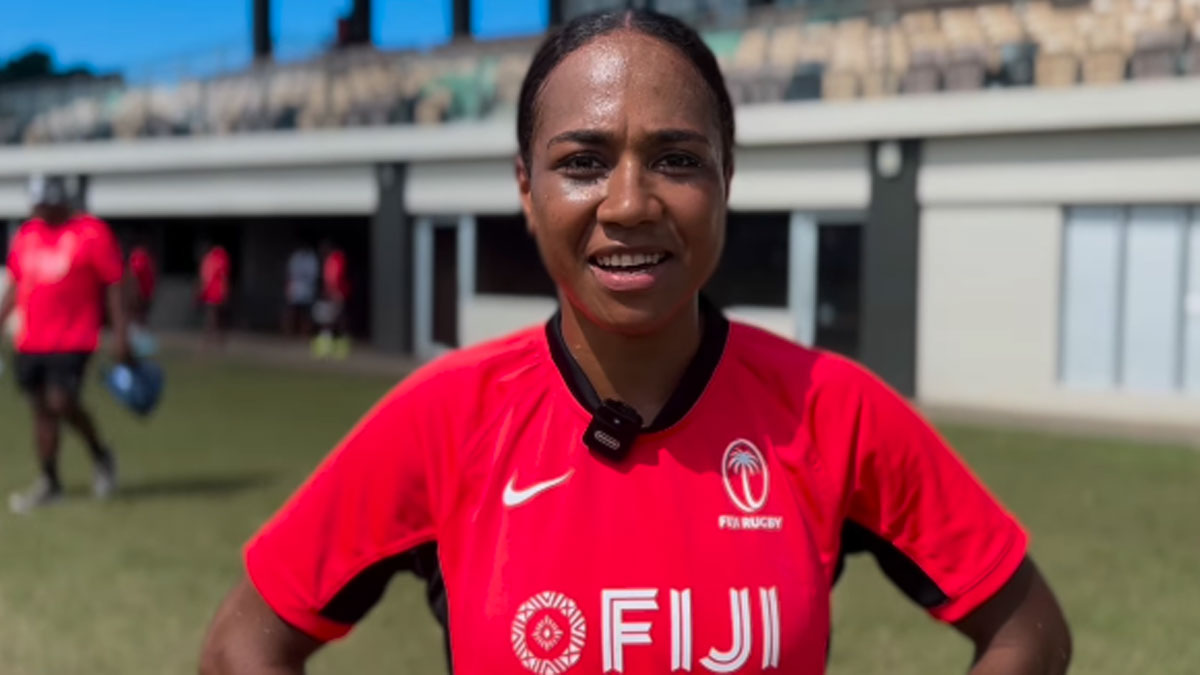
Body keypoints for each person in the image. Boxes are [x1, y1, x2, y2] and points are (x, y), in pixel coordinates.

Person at [200, 10, 1071, 675]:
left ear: (727, 179)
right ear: (527, 188)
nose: (628, 204)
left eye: (677, 159)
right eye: (582, 161)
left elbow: (1029, 630)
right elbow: (244, 643)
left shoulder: (830, 408)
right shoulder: (444, 417)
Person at [0, 175, 128, 513]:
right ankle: (50, 481)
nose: (38, 211)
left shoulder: (91, 233)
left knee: (61, 401)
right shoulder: (27, 235)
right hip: (31, 339)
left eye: (44, 205)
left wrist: (121, 334)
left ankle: (101, 454)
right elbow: (15, 284)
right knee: (40, 409)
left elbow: (114, 283)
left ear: (59, 202)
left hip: (74, 336)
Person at [311, 240, 350, 359]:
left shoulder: (336, 259)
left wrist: (335, 292)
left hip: (336, 294)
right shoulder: (330, 260)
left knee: (335, 321)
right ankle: (328, 347)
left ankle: (337, 348)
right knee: (329, 320)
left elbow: (334, 278)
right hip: (332, 294)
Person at [282, 243, 319, 338]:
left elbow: (313, 274)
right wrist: (288, 287)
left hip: (307, 289)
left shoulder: (311, 257)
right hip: (295, 288)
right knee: (292, 311)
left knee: (305, 313)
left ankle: (304, 333)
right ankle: (289, 332)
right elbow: (290, 273)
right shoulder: (296, 256)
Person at [198, 241, 231, 348]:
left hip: (214, 292)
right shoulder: (216, 258)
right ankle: (213, 339)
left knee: (214, 316)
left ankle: (213, 339)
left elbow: (207, 277)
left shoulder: (212, 258)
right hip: (214, 293)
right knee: (214, 316)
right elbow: (208, 277)